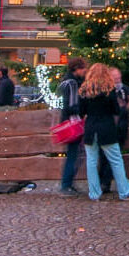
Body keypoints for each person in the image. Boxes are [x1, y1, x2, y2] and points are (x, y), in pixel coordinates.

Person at [78, 63, 129, 201]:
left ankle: (94, 193)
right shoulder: (109, 90)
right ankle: (125, 192)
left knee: (91, 162)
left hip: (91, 129)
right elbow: (116, 110)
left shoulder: (84, 91)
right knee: (116, 160)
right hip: (107, 129)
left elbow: (81, 112)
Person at [98, 66, 129, 194]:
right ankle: (105, 182)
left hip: (120, 128)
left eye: (119, 77)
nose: (118, 80)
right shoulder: (106, 91)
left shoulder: (124, 89)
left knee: (113, 157)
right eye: (115, 78)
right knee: (106, 157)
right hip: (109, 127)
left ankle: (106, 183)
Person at [58, 57, 87, 196]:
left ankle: (68, 183)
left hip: (69, 121)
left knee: (75, 154)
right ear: (77, 69)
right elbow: (72, 105)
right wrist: (81, 113)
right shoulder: (73, 83)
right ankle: (66, 184)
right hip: (74, 123)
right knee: (74, 155)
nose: (85, 71)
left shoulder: (67, 81)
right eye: (83, 68)